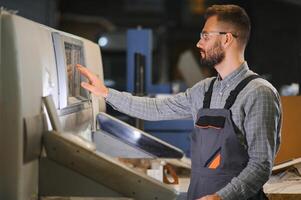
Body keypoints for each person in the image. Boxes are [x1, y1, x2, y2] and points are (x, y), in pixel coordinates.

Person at [76, 4, 282, 200]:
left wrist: (221, 197)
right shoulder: (204, 90)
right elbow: (156, 109)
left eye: (205, 36)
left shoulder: (258, 93)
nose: (199, 43)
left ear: (227, 39)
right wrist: (106, 93)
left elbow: (260, 165)